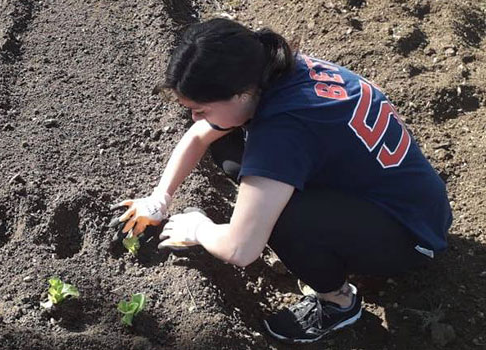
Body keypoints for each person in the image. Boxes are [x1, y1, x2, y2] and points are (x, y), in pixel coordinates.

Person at [109, 18, 452, 344]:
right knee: (226, 143)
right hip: (401, 196)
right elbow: (199, 136)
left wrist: (198, 228)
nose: (195, 117)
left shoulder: (283, 130)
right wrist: (159, 198)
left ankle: (337, 302)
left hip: (411, 235)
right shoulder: (275, 69)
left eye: (200, 107)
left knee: (283, 218)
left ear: (241, 94)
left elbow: (240, 251)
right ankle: (306, 232)